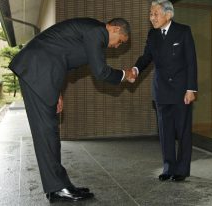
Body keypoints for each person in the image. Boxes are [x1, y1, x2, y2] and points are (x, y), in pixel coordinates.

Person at [9, 17, 135, 202]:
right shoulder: (97, 32)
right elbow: (100, 72)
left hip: (43, 72)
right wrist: (125, 74)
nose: (116, 47)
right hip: (37, 70)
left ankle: (58, 186)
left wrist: (57, 91)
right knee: (46, 132)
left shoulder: (92, 32)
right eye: (120, 42)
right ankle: (57, 188)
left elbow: (62, 57)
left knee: (49, 131)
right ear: (114, 29)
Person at [130, 0, 198, 182]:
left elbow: (191, 62)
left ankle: (182, 169)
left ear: (168, 14)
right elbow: (146, 57)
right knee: (165, 131)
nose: (151, 17)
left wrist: (191, 89)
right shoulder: (152, 35)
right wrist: (135, 69)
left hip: (181, 90)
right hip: (161, 90)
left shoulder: (183, 31)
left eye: (155, 14)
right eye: (151, 14)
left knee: (182, 131)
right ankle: (168, 167)